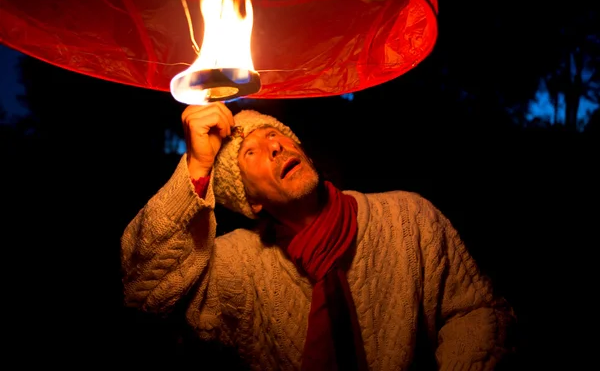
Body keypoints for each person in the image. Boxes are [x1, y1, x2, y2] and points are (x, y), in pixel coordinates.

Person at [121, 99, 517, 370]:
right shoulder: (239, 266)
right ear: (251, 201)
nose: (273, 146)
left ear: (302, 150)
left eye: (273, 134)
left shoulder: (409, 217)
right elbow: (146, 291)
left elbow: (476, 311)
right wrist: (197, 165)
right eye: (251, 153)